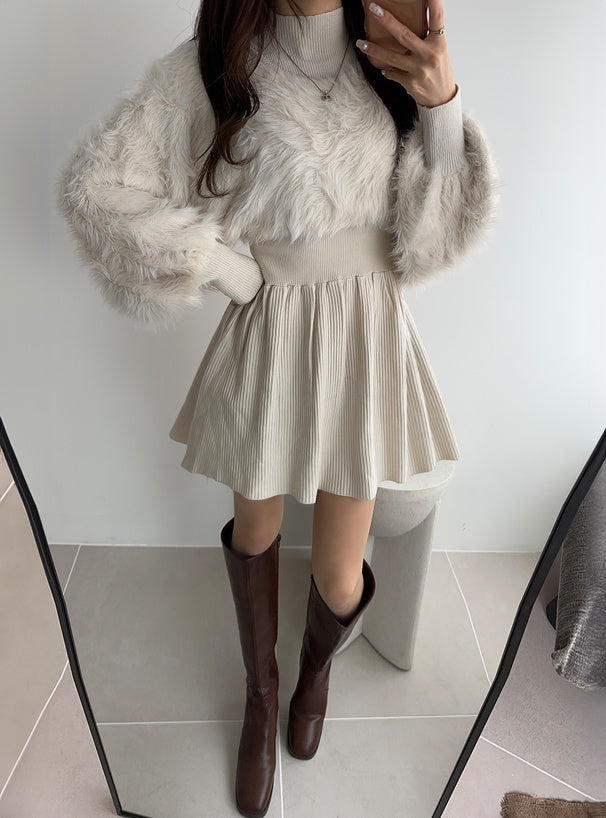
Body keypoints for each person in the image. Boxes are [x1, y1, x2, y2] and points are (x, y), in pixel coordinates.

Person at [54, 1, 500, 815]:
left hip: (365, 334)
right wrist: (221, 267)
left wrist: (442, 106)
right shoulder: (220, 63)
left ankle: (314, 671)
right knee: (256, 531)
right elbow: (98, 189)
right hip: (271, 327)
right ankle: (261, 693)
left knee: (337, 576)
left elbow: (432, 239)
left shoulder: (389, 55)